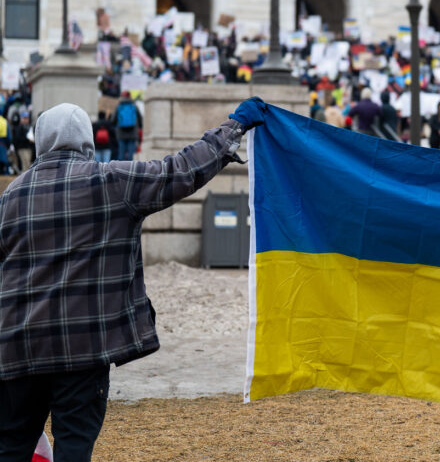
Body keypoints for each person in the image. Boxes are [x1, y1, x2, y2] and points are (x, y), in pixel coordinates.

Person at [0, 98, 264, 461]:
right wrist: (234, 127)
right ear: (87, 142)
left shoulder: (10, 196)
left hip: (18, 348)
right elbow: (181, 170)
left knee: (11, 447)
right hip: (83, 347)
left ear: (40, 141)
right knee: (74, 445)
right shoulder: (110, 181)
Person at [112, 91, 143, 161]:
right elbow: (140, 118)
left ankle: (121, 170)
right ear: (130, 97)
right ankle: (131, 169)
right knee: (131, 155)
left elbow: (113, 120)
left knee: (121, 155)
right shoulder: (134, 106)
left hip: (121, 133)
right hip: (133, 133)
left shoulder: (119, 107)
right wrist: (140, 127)